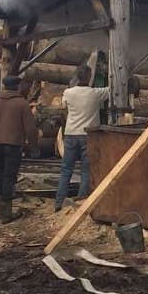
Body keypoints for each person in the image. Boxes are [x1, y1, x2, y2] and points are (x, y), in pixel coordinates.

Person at [0, 75, 38, 223]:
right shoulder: (22, 104)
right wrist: (34, 147)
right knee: (9, 177)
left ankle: (0, 211)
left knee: (1, 175)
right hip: (13, 145)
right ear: (17, 87)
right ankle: (6, 214)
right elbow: (31, 128)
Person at [56, 65, 110, 210]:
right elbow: (112, 90)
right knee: (86, 169)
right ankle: (81, 201)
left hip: (71, 134)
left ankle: (59, 202)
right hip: (88, 135)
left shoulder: (68, 93)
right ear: (89, 76)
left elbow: (63, 106)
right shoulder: (95, 93)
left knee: (66, 169)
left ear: (77, 76)